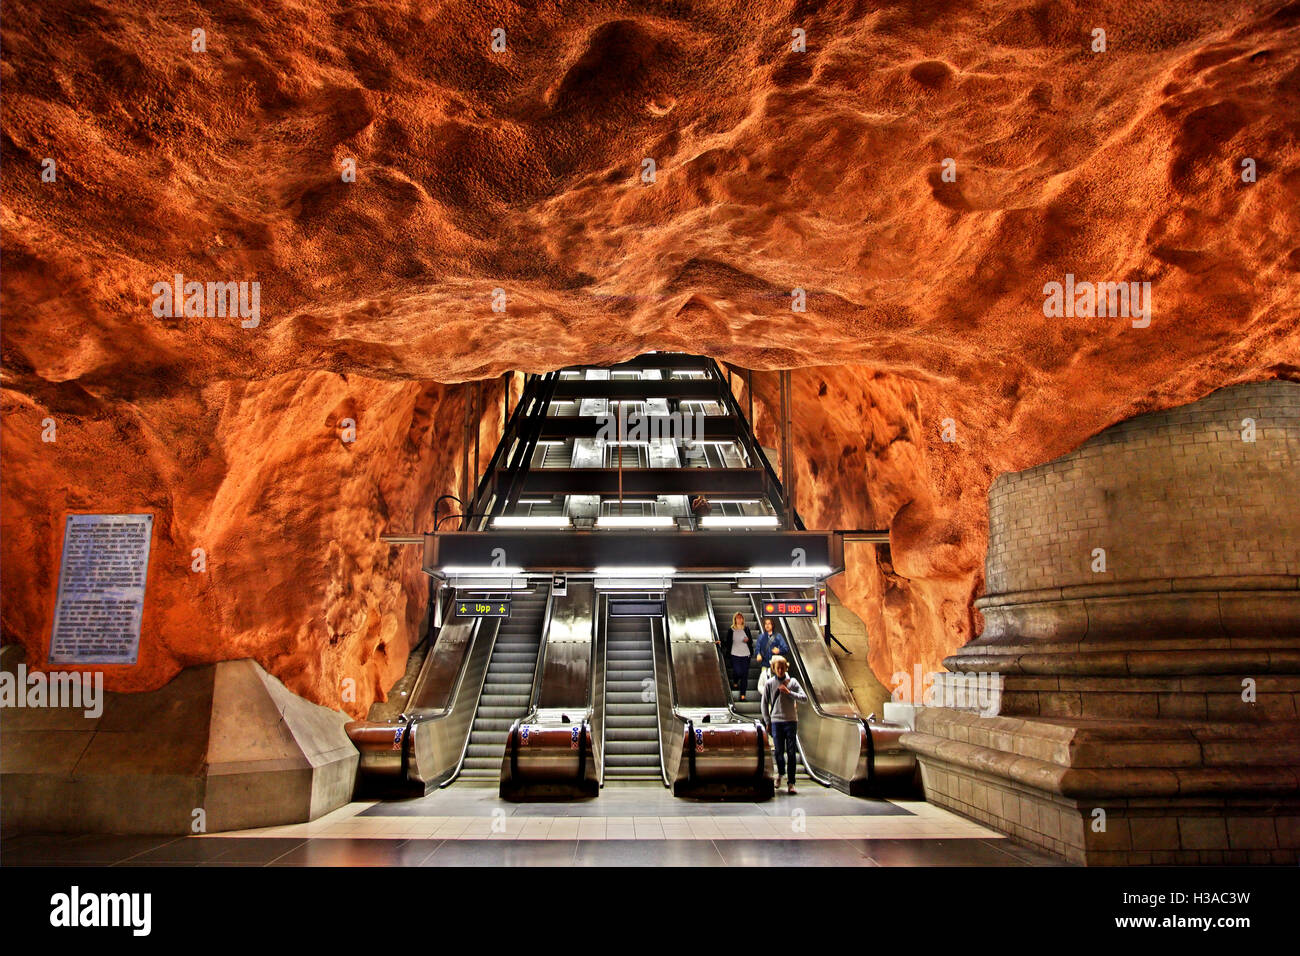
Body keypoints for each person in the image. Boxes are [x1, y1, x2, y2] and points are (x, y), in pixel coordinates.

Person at [761, 655, 807, 794]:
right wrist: (767, 720)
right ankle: (780, 773)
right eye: (777, 668)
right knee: (779, 752)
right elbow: (764, 703)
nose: (780, 670)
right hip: (776, 722)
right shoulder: (769, 683)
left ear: (786, 667)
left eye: (782, 667)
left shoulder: (792, 682)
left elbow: (804, 698)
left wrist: (789, 692)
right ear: (774, 669)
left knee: (792, 753)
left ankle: (791, 782)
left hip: (791, 721)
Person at [755, 618, 790, 697]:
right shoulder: (761, 637)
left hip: (776, 666)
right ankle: (767, 699)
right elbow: (757, 648)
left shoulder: (778, 636)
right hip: (765, 664)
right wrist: (758, 654)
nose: (767, 625)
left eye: (769, 624)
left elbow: (786, 648)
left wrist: (779, 650)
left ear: (772, 625)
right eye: (766, 624)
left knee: (776, 683)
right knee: (764, 683)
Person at [723, 611, 753, 700]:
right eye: (737, 618)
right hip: (735, 654)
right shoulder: (731, 630)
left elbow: (750, 641)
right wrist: (721, 642)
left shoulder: (746, 629)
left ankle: (743, 695)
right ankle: (735, 681)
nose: (739, 620)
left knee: (745, 674)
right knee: (738, 671)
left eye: (741, 618)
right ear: (735, 620)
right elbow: (728, 642)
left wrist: (748, 640)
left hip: (746, 654)